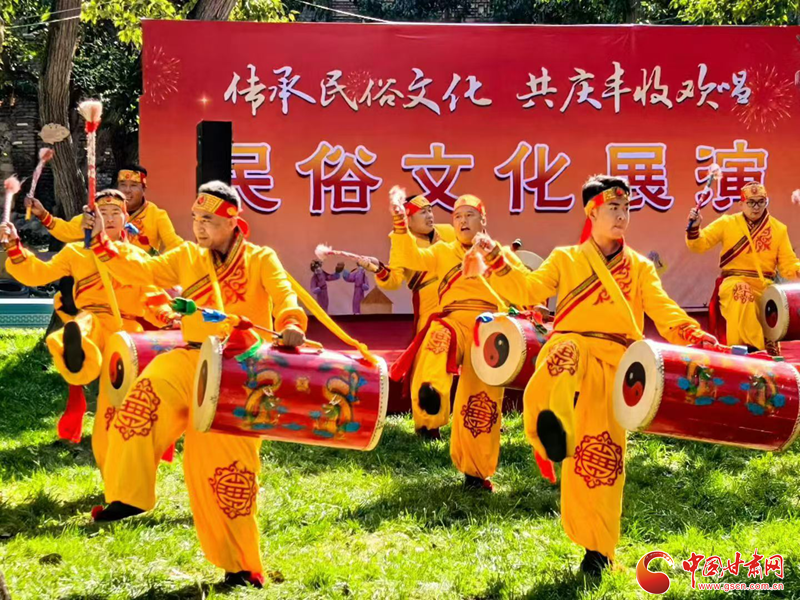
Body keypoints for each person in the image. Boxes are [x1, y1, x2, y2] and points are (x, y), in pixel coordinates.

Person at [476, 175, 717, 575]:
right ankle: (551, 421)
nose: (622, 216)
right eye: (613, 208)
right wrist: (499, 260)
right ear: (592, 213)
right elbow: (529, 290)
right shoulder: (566, 258)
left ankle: (597, 550)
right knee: (564, 353)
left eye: (626, 209)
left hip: (614, 364)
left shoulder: (640, 267)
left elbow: (664, 310)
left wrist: (694, 335)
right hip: (573, 349)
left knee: (601, 455)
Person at [87, 180, 306, 588]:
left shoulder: (261, 258)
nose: (198, 227)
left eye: (207, 219)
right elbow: (141, 270)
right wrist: (103, 241)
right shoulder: (187, 256)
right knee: (143, 398)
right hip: (191, 357)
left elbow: (284, 295)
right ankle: (128, 495)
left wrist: (291, 322)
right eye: (194, 218)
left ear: (233, 221)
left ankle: (241, 566)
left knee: (226, 474)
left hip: (240, 371)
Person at [1, 190, 175, 471]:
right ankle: (78, 358)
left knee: (120, 399)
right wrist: (13, 246)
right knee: (80, 328)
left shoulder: (135, 256)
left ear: (126, 218)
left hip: (127, 328)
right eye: (102, 214)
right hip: (93, 320)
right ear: (91, 219)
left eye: (115, 213)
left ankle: (121, 453)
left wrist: (169, 317)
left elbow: (153, 297)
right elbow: (38, 274)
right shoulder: (75, 253)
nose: (109, 219)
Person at [388, 194, 519, 490]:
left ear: (483, 220)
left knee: (480, 402)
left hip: (488, 329)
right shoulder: (443, 251)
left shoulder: (499, 254)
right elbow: (412, 258)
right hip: (454, 320)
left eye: (469, 215)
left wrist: (531, 309)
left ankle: (475, 473)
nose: (462, 221)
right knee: (438, 335)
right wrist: (399, 225)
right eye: (457, 216)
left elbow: (522, 285)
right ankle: (431, 392)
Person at [358, 194, 456, 438]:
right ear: (408, 220)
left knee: (478, 365)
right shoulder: (402, 241)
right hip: (432, 311)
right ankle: (428, 424)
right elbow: (393, 280)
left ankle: (482, 420)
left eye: (430, 210)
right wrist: (377, 268)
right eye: (423, 212)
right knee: (430, 365)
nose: (430, 216)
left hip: (463, 304)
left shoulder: (449, 232)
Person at [686, 181, 800, 351]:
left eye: (761, 202)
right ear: (741, 204)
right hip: (734, 282)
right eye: (751, 202)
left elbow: (788, 265)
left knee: (776, 304)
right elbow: (699, 245)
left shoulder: (778, 229)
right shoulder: (727, 223)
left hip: (764, 287)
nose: (756, 207)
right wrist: (694, 228)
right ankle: (751, 349)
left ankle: (762, 347)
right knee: (742, 292)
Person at [26, 164, 183, 255]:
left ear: (144, 189)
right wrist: (42, 214)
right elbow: (67, 231)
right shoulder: (99, 211)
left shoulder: (156, 215)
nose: (127, 190)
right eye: (123, 185)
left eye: (134, 185)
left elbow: (174, 243)